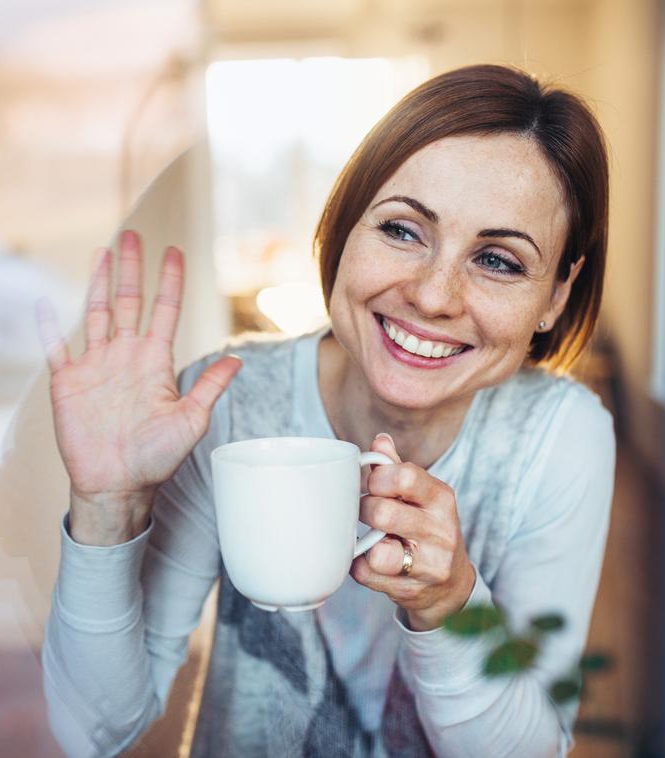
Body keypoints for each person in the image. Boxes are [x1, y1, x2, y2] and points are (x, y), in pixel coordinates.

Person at [38, 63, 614, 757]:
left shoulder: (560, 439)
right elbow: (95, 730)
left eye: (498, 261)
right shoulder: (227, 404)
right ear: (345, 228)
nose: (434, 296)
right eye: (403, 230)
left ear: (555, 294)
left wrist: (451, 604)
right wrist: (106, 510)